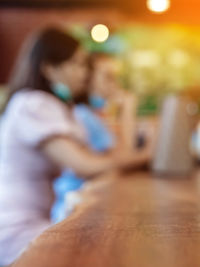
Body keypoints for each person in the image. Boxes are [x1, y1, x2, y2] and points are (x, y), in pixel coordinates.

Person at [0, 28, 150, 265]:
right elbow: (84, 165)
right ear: (49, 68)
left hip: (39, 220)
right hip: (15, 228)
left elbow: (102, 161)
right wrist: (146, 154)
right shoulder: (33, 104)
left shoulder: (56, 107)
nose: (84, 73)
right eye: (77, 64)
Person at [51, 52, 142, 223]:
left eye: (116, 77)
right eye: (108, 77)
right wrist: (128, 110)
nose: (116, 84)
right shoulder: (84, 116)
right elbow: (125, 157)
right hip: (76, 211)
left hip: (90, 204)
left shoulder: (94, 114)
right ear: (89, 78)